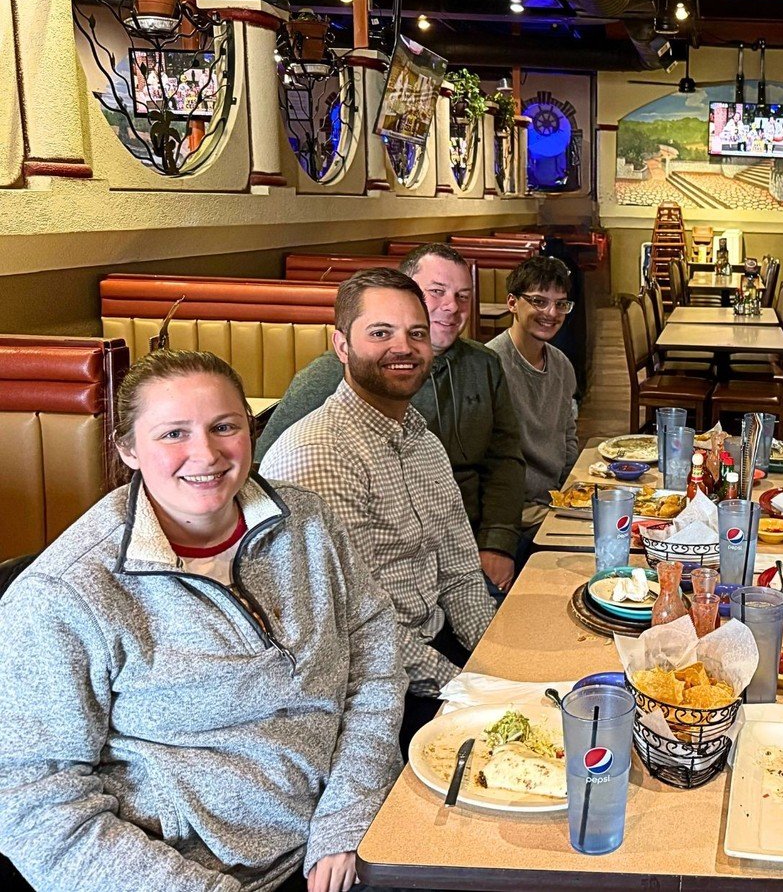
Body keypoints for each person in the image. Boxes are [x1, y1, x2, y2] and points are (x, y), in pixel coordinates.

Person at [0, 350, 404, 892]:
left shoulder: (308, 524)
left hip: (351, 835)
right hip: (199, 876)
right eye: (173, 434)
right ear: (129, 449)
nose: (206, 453)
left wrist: (346, 820)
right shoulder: (65, 596)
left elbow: (374, 658)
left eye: (224, 427)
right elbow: (34, 806)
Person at [260, 268, 495, 747]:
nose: (403, 348)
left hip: (433, 646)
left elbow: (461, 575)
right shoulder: (321, 453)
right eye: (380, 333)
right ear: (342, 346)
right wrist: (473, 690)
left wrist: (496, 663)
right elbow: (359, 632)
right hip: (368, 691)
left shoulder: (422, 441)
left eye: (417, 333)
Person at [256, 243, 526, 596]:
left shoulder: (484, 364)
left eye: (463, 295)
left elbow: (505, 457)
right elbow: (264, 474)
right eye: (436, 292)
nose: (451, 306)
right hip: (388, 572)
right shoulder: (330, 375)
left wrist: (498, 541)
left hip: (467, 546)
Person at [486, 255, 579, 543]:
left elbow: (568, 435)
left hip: (554, 500)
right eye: (539, 301)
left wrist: (570, 496)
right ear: (512, 302)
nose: (551, 313)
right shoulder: (490, 365)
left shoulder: (562, 365)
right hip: (516, 514)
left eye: (560, 304)